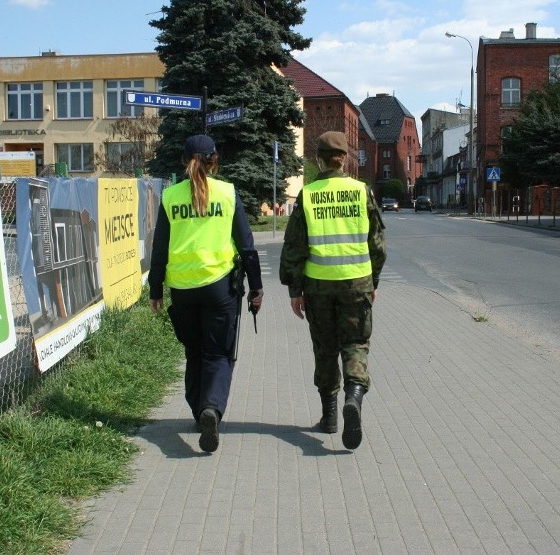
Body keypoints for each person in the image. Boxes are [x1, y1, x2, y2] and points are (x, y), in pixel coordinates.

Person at [148, 134, 263, 453]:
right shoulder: (227, 193)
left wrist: (155, 289)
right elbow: (247, 244)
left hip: (182, 289)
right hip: (219, 287)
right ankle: (211, 407)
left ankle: (199, 412)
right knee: (218, 353)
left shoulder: (170, 196)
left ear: (185, 161)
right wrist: (256, 287)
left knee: (194, 353)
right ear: (215, 160)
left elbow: (159, 249)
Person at [279, 131, 386, 450]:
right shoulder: (361, 191)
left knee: (324, 348)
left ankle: (329, 419)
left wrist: (294, 289)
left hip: (318, 286)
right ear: (346, 159)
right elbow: (378, 244)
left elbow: (294, 247)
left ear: (318, 159)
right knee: (355, 343)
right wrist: (374, 281)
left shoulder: (308, 195)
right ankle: (353, 398)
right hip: (357, 283)